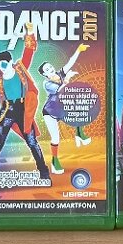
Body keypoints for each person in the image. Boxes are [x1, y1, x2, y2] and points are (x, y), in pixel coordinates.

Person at [0, 23, 49, 180]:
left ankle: (43, 172)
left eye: (4, 64)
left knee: (32, 142)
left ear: (10, 61)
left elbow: (29, 51)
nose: (2, 68)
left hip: (23, 110)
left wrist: (30, 32)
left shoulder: (20, 69)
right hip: (6, 111)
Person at [38, 42, 89, 175]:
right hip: (50, 112)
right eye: (47, 69)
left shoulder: (60, 73)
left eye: (50, 66)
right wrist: (68, 77)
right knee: (56, 138)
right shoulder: (47, 83)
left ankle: (79, 133)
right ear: (44, 74)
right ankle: (55, 161)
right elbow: (62, 89)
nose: (50, 69)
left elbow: (70, 62)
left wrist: (78, 50)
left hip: (61, 108)